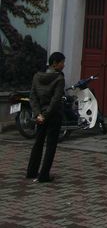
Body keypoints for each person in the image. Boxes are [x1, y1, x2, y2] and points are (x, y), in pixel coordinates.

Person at [26, 51, 66, 184]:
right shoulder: (59, 78)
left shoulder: (37, 76)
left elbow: (33, 97)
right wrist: (46, 114)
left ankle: (31, 171)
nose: (63, 65)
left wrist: (38, 114)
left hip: (40, 116)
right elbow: (55, 100)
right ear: (55, 64)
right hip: (53, 115)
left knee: (38, 143)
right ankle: (44, 175)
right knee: (50, 145)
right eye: (62, 62)